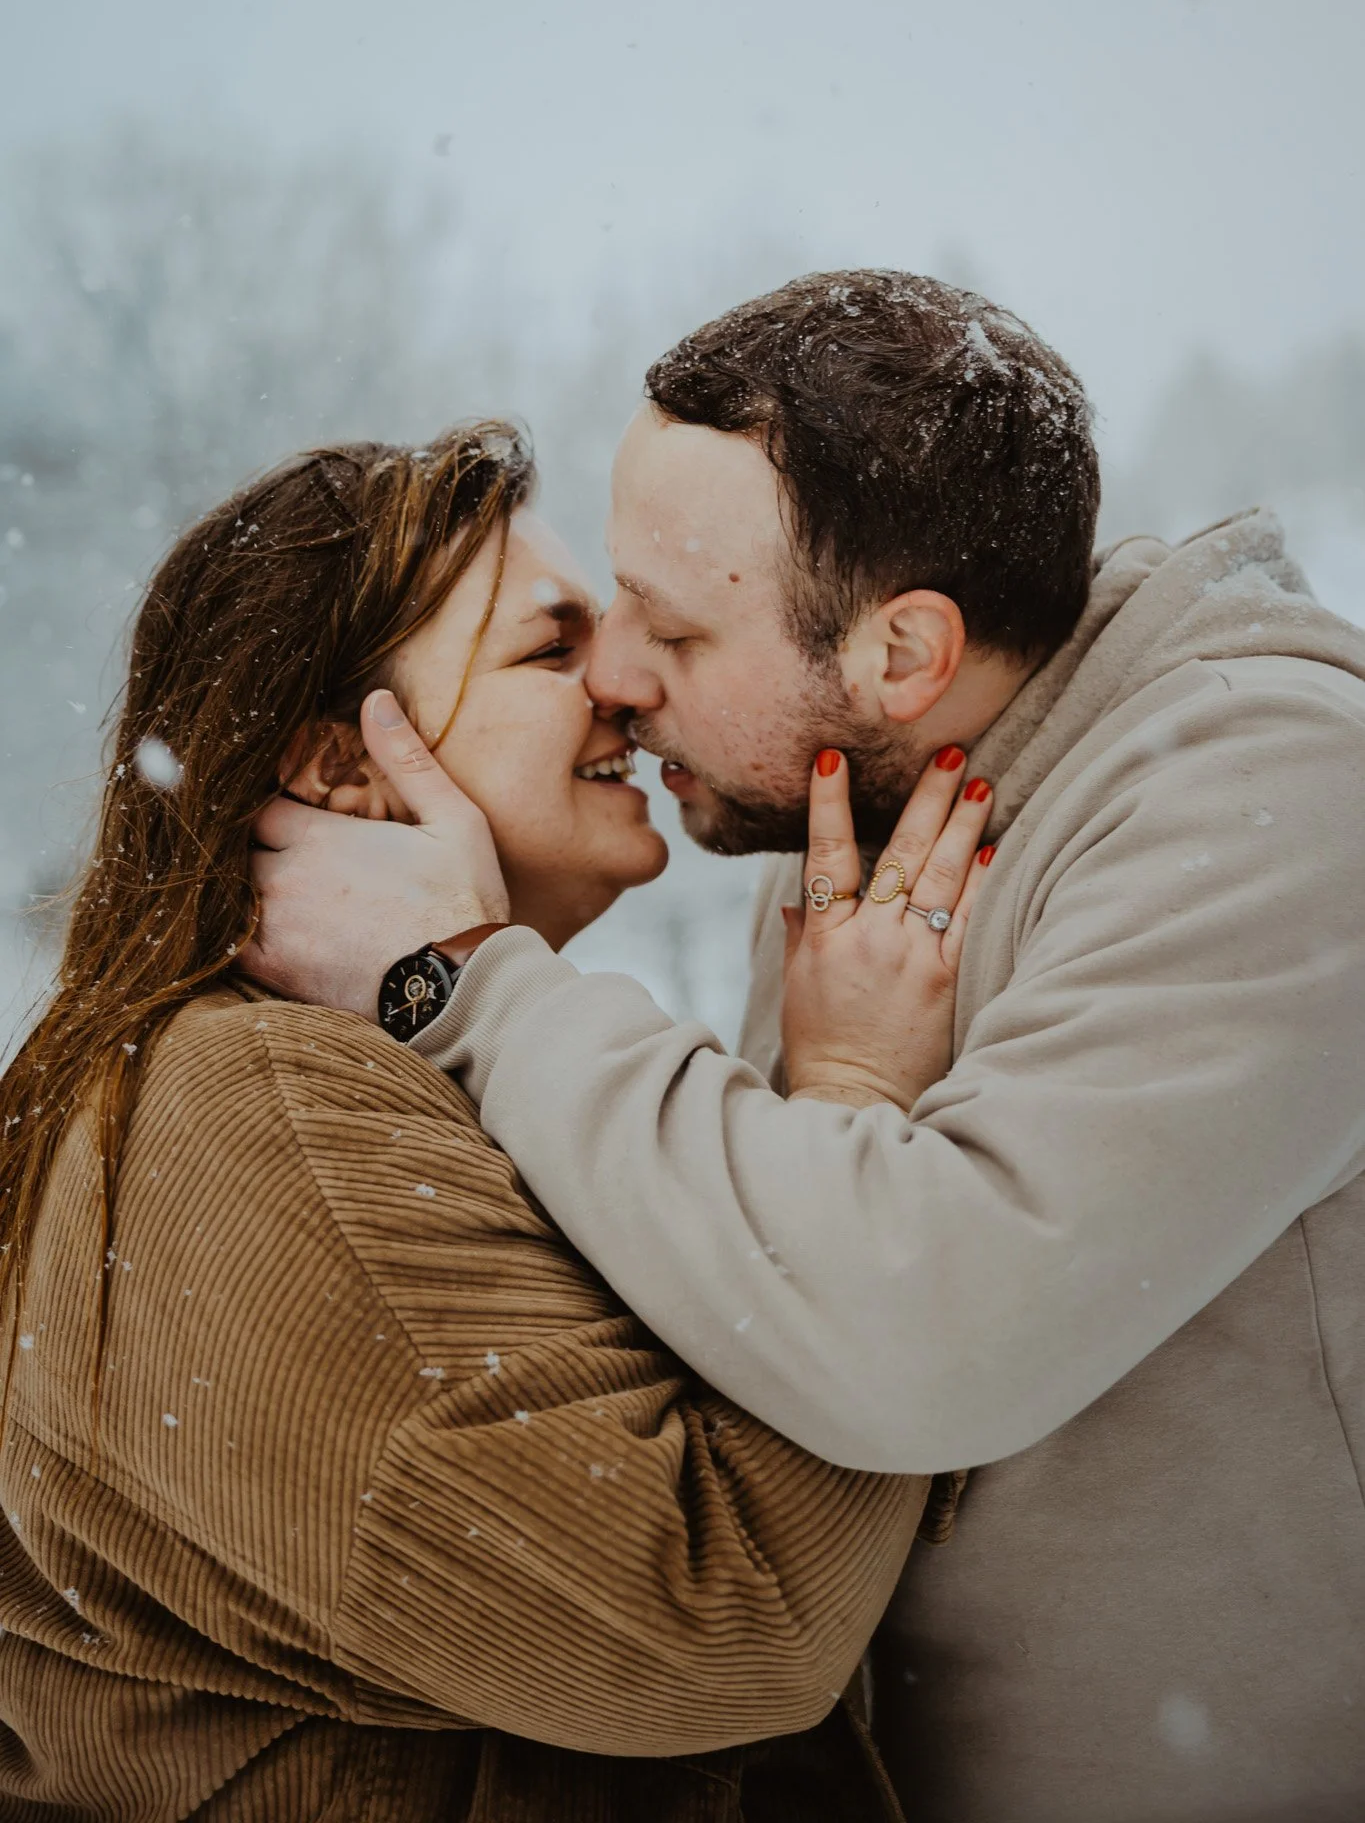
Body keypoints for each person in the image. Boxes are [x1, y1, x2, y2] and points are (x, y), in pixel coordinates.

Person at [248, 273, 1365, 1823]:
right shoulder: (857, 795)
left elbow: (918, 1330)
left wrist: (469, 991)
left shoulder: (1283, 804)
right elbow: (765, 1290)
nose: (620, 678)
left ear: (904, 649)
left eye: (677, 626)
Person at [0, 423, 994, 1821]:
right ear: (344, 768)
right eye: (550, 649)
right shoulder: (262, 1106)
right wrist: (851, 1106)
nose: (625, 689)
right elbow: (719, 1621)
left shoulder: (343, 1073)